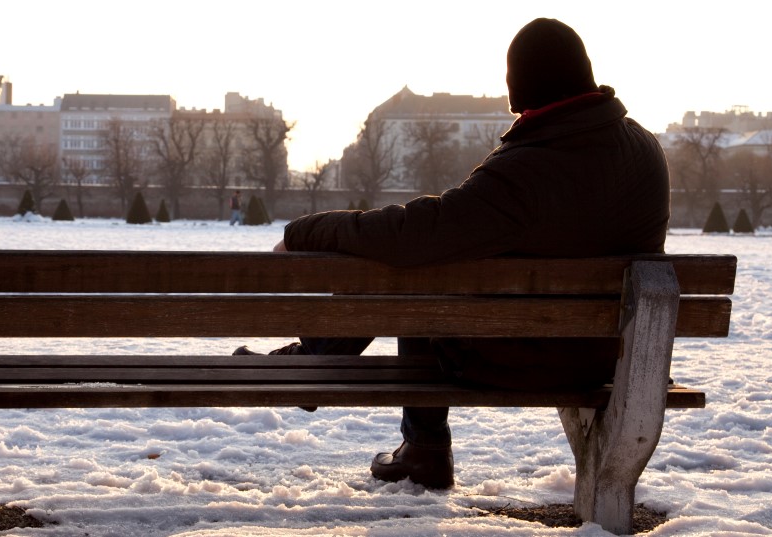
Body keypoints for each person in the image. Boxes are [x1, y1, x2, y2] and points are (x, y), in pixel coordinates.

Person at [234, 18, 670, 490]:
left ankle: (414, 439)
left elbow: (411, 235)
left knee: (415, 269)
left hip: (525, 357)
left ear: (519, 89)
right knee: (428, 260)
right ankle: (321, 363)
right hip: (612, 359)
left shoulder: (530, 169)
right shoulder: (645, 150)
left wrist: (304, 231)